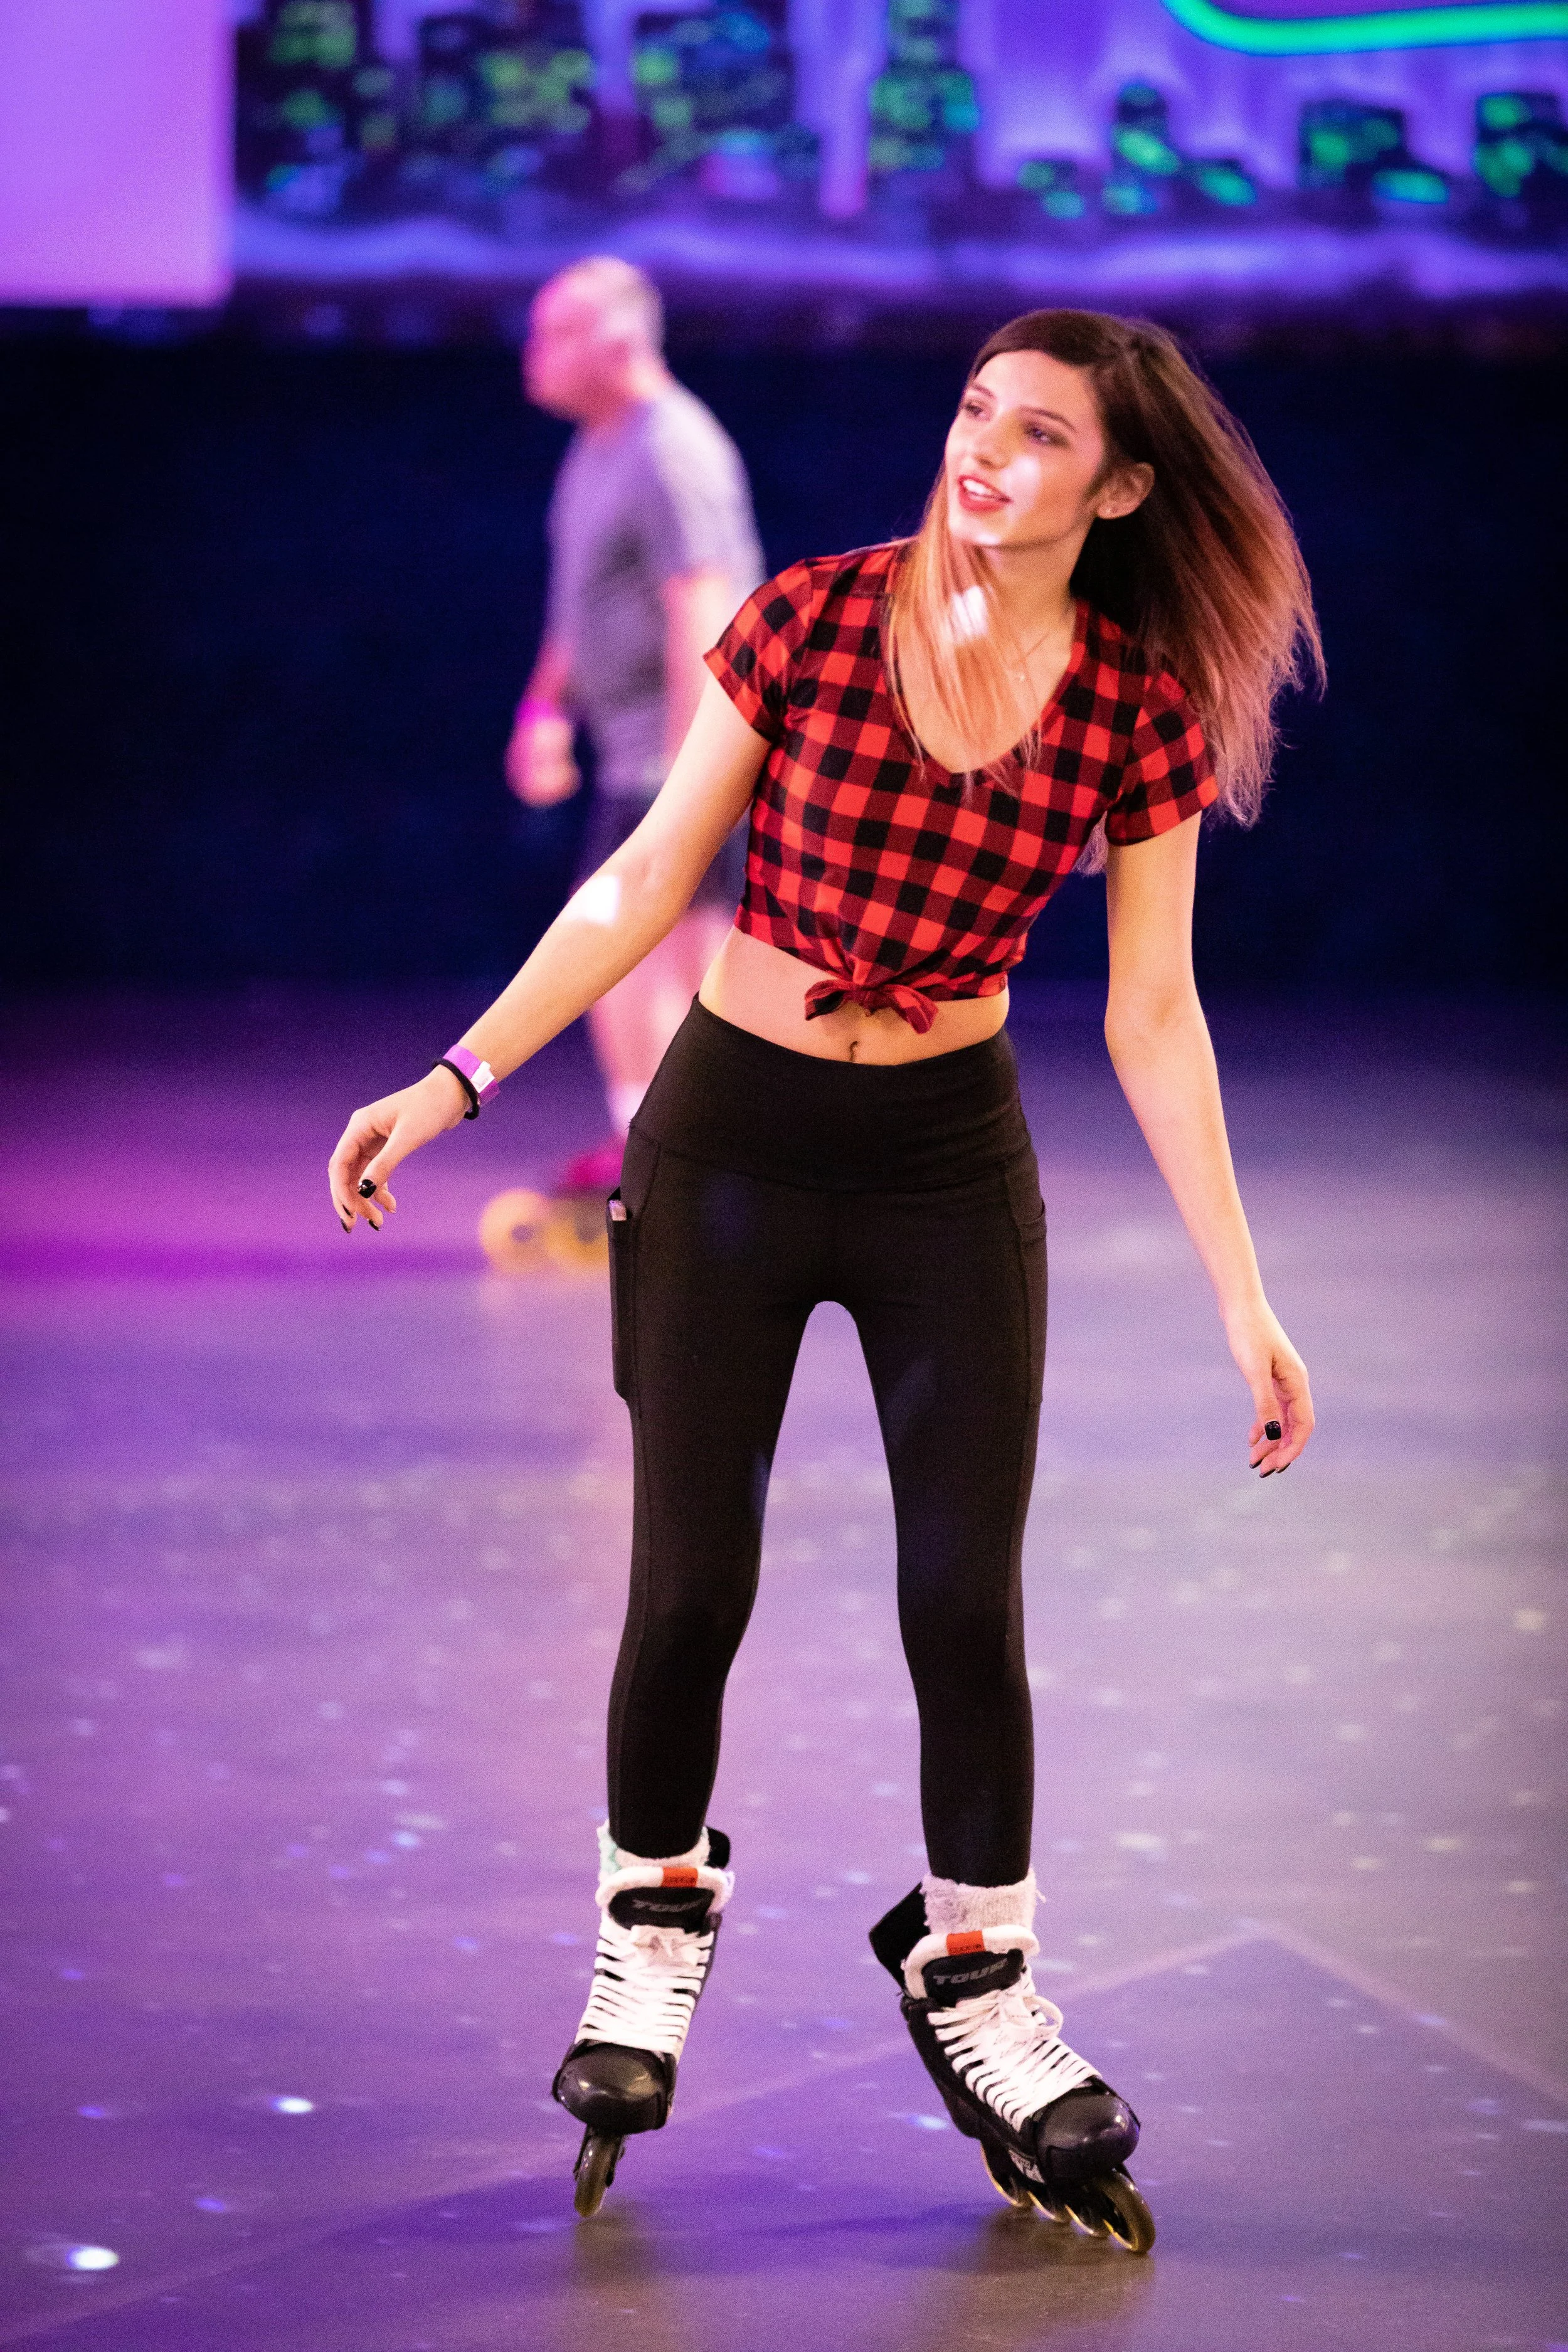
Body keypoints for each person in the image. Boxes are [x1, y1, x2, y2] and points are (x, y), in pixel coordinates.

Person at [329, 309, 1320, 2241]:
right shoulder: (809, 618)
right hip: (731, 1142)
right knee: (691, 1575)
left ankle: (978, 1975)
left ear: (1121, 487)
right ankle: (646, 1935)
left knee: (962, 1594)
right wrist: (458, 1078)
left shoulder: (1134, 705)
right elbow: (641, 879)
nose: (985, 453)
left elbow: (1154, 1011)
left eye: (1040, 436)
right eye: (974, 412)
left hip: (946, 1163)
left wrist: (1241, 1293)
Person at [506, 255, 764, 1188]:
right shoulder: (600, 446)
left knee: (660, 963)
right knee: (624, 962)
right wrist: (546, 708)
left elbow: (704, 604)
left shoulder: (671, 447)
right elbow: (586, 603)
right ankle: (661, 1154)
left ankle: (689, 1164)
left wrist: (689, 780)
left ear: (617, 342)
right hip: (635, 757)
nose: (534, 351)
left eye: (556, 333)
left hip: (680, 758)